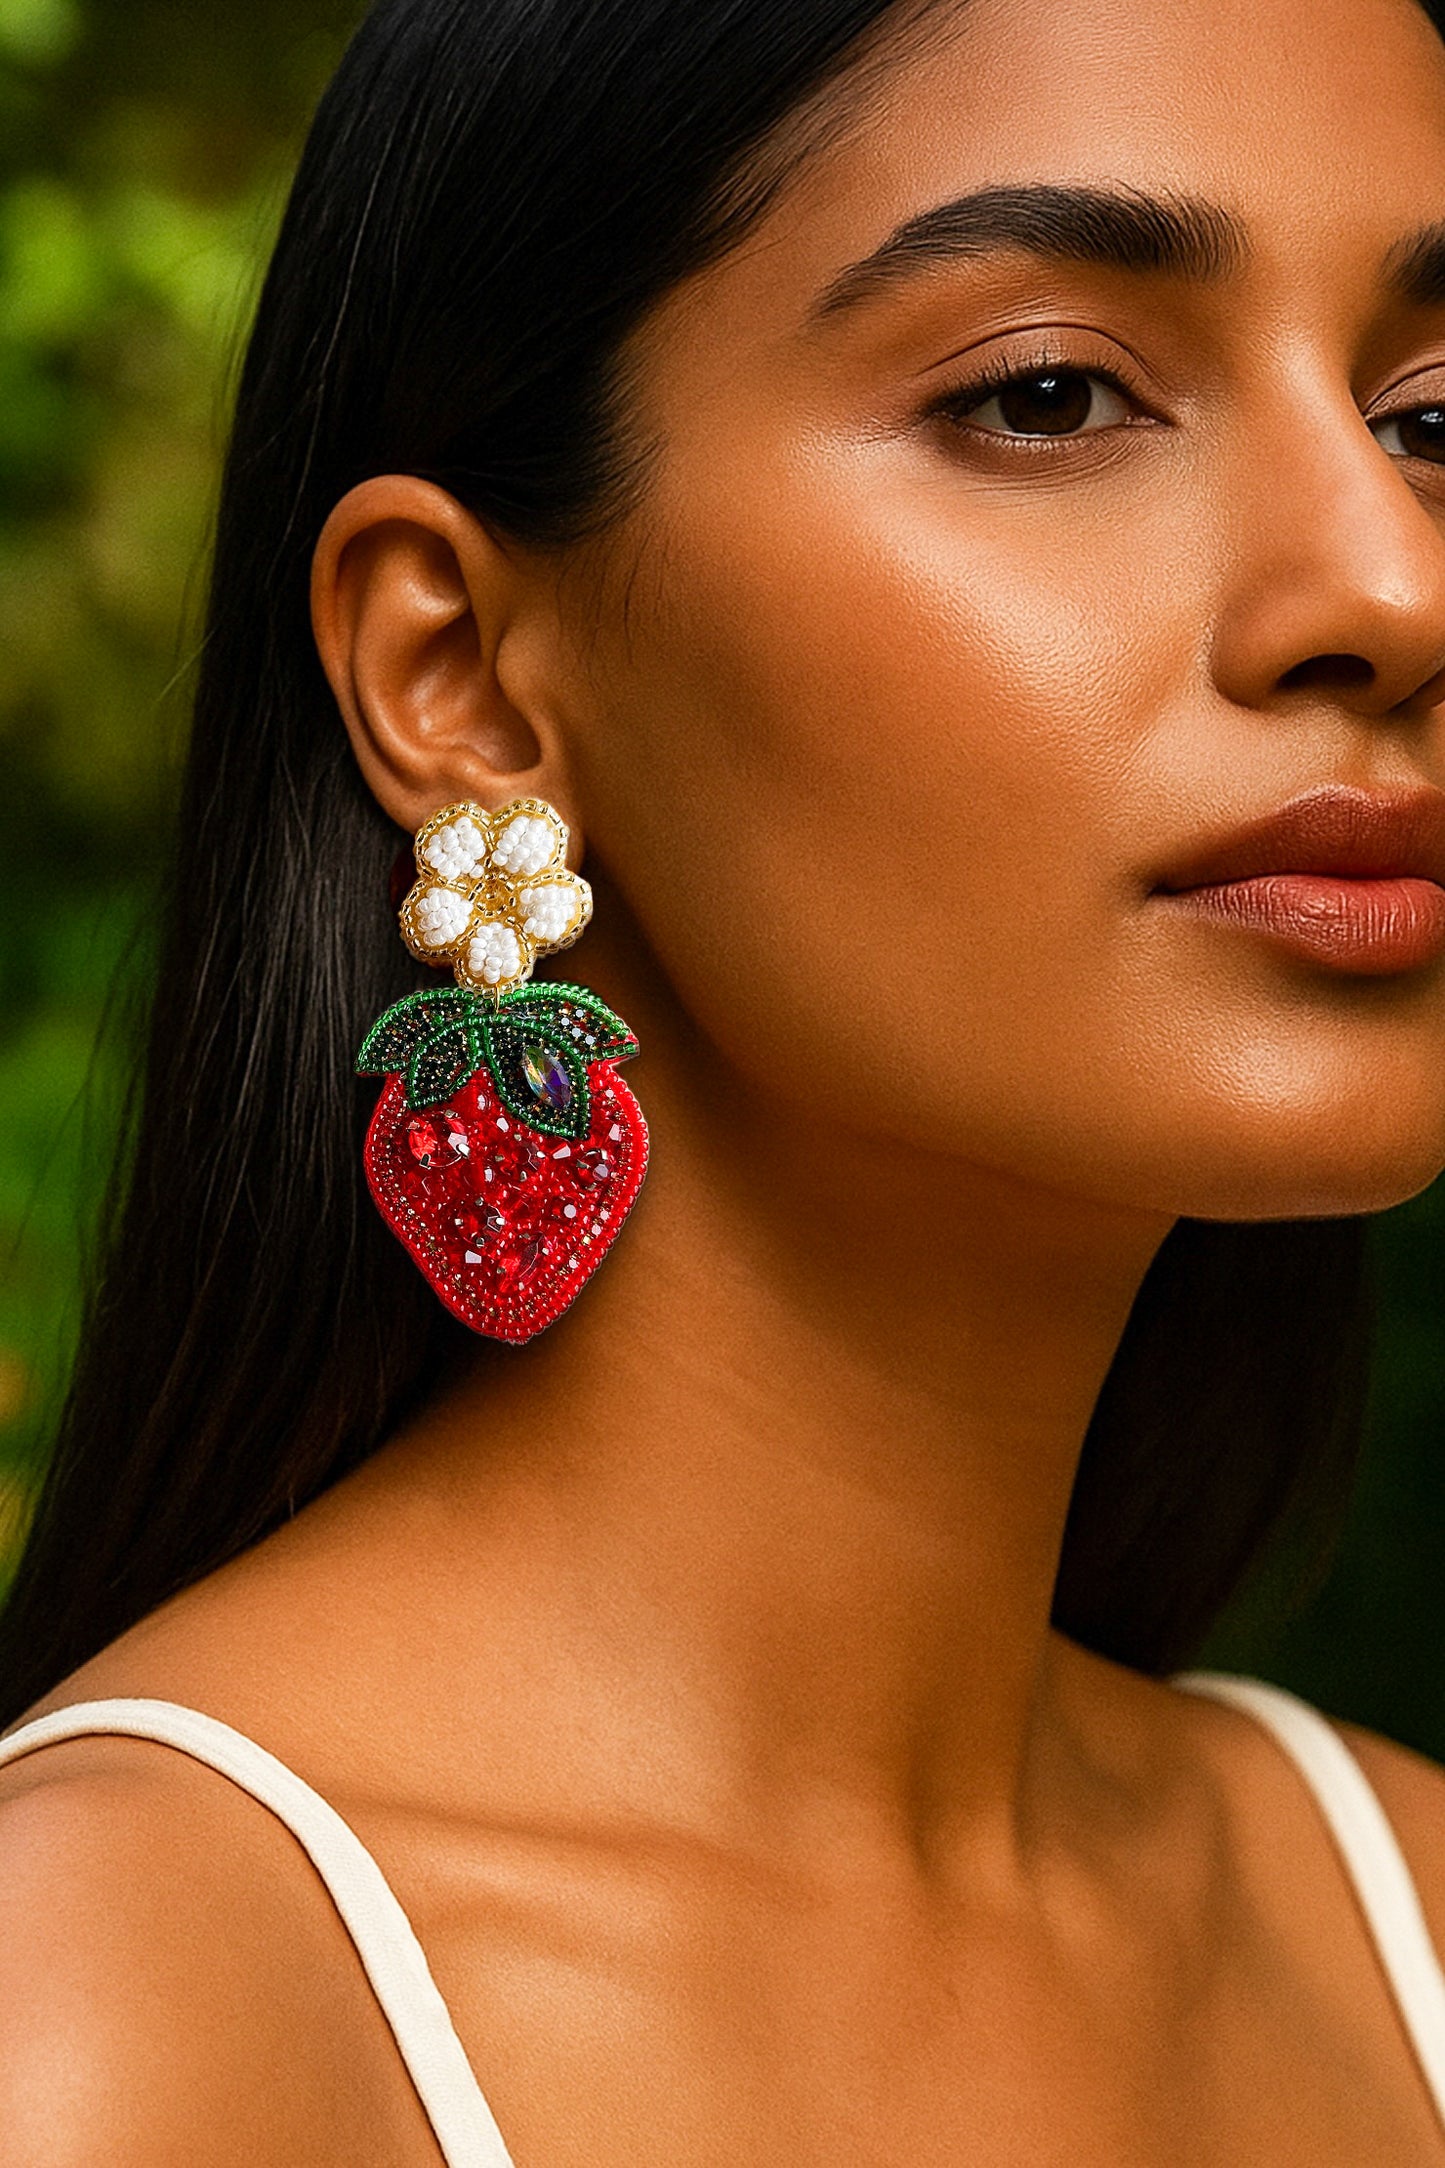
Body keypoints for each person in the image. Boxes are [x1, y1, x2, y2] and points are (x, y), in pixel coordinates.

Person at [4, 0, 1445, 2155]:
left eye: (1436, 419)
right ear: (461, 673)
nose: (1392, 584)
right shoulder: (130, 2016)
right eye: (1052, 394)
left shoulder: (1406, 1909)